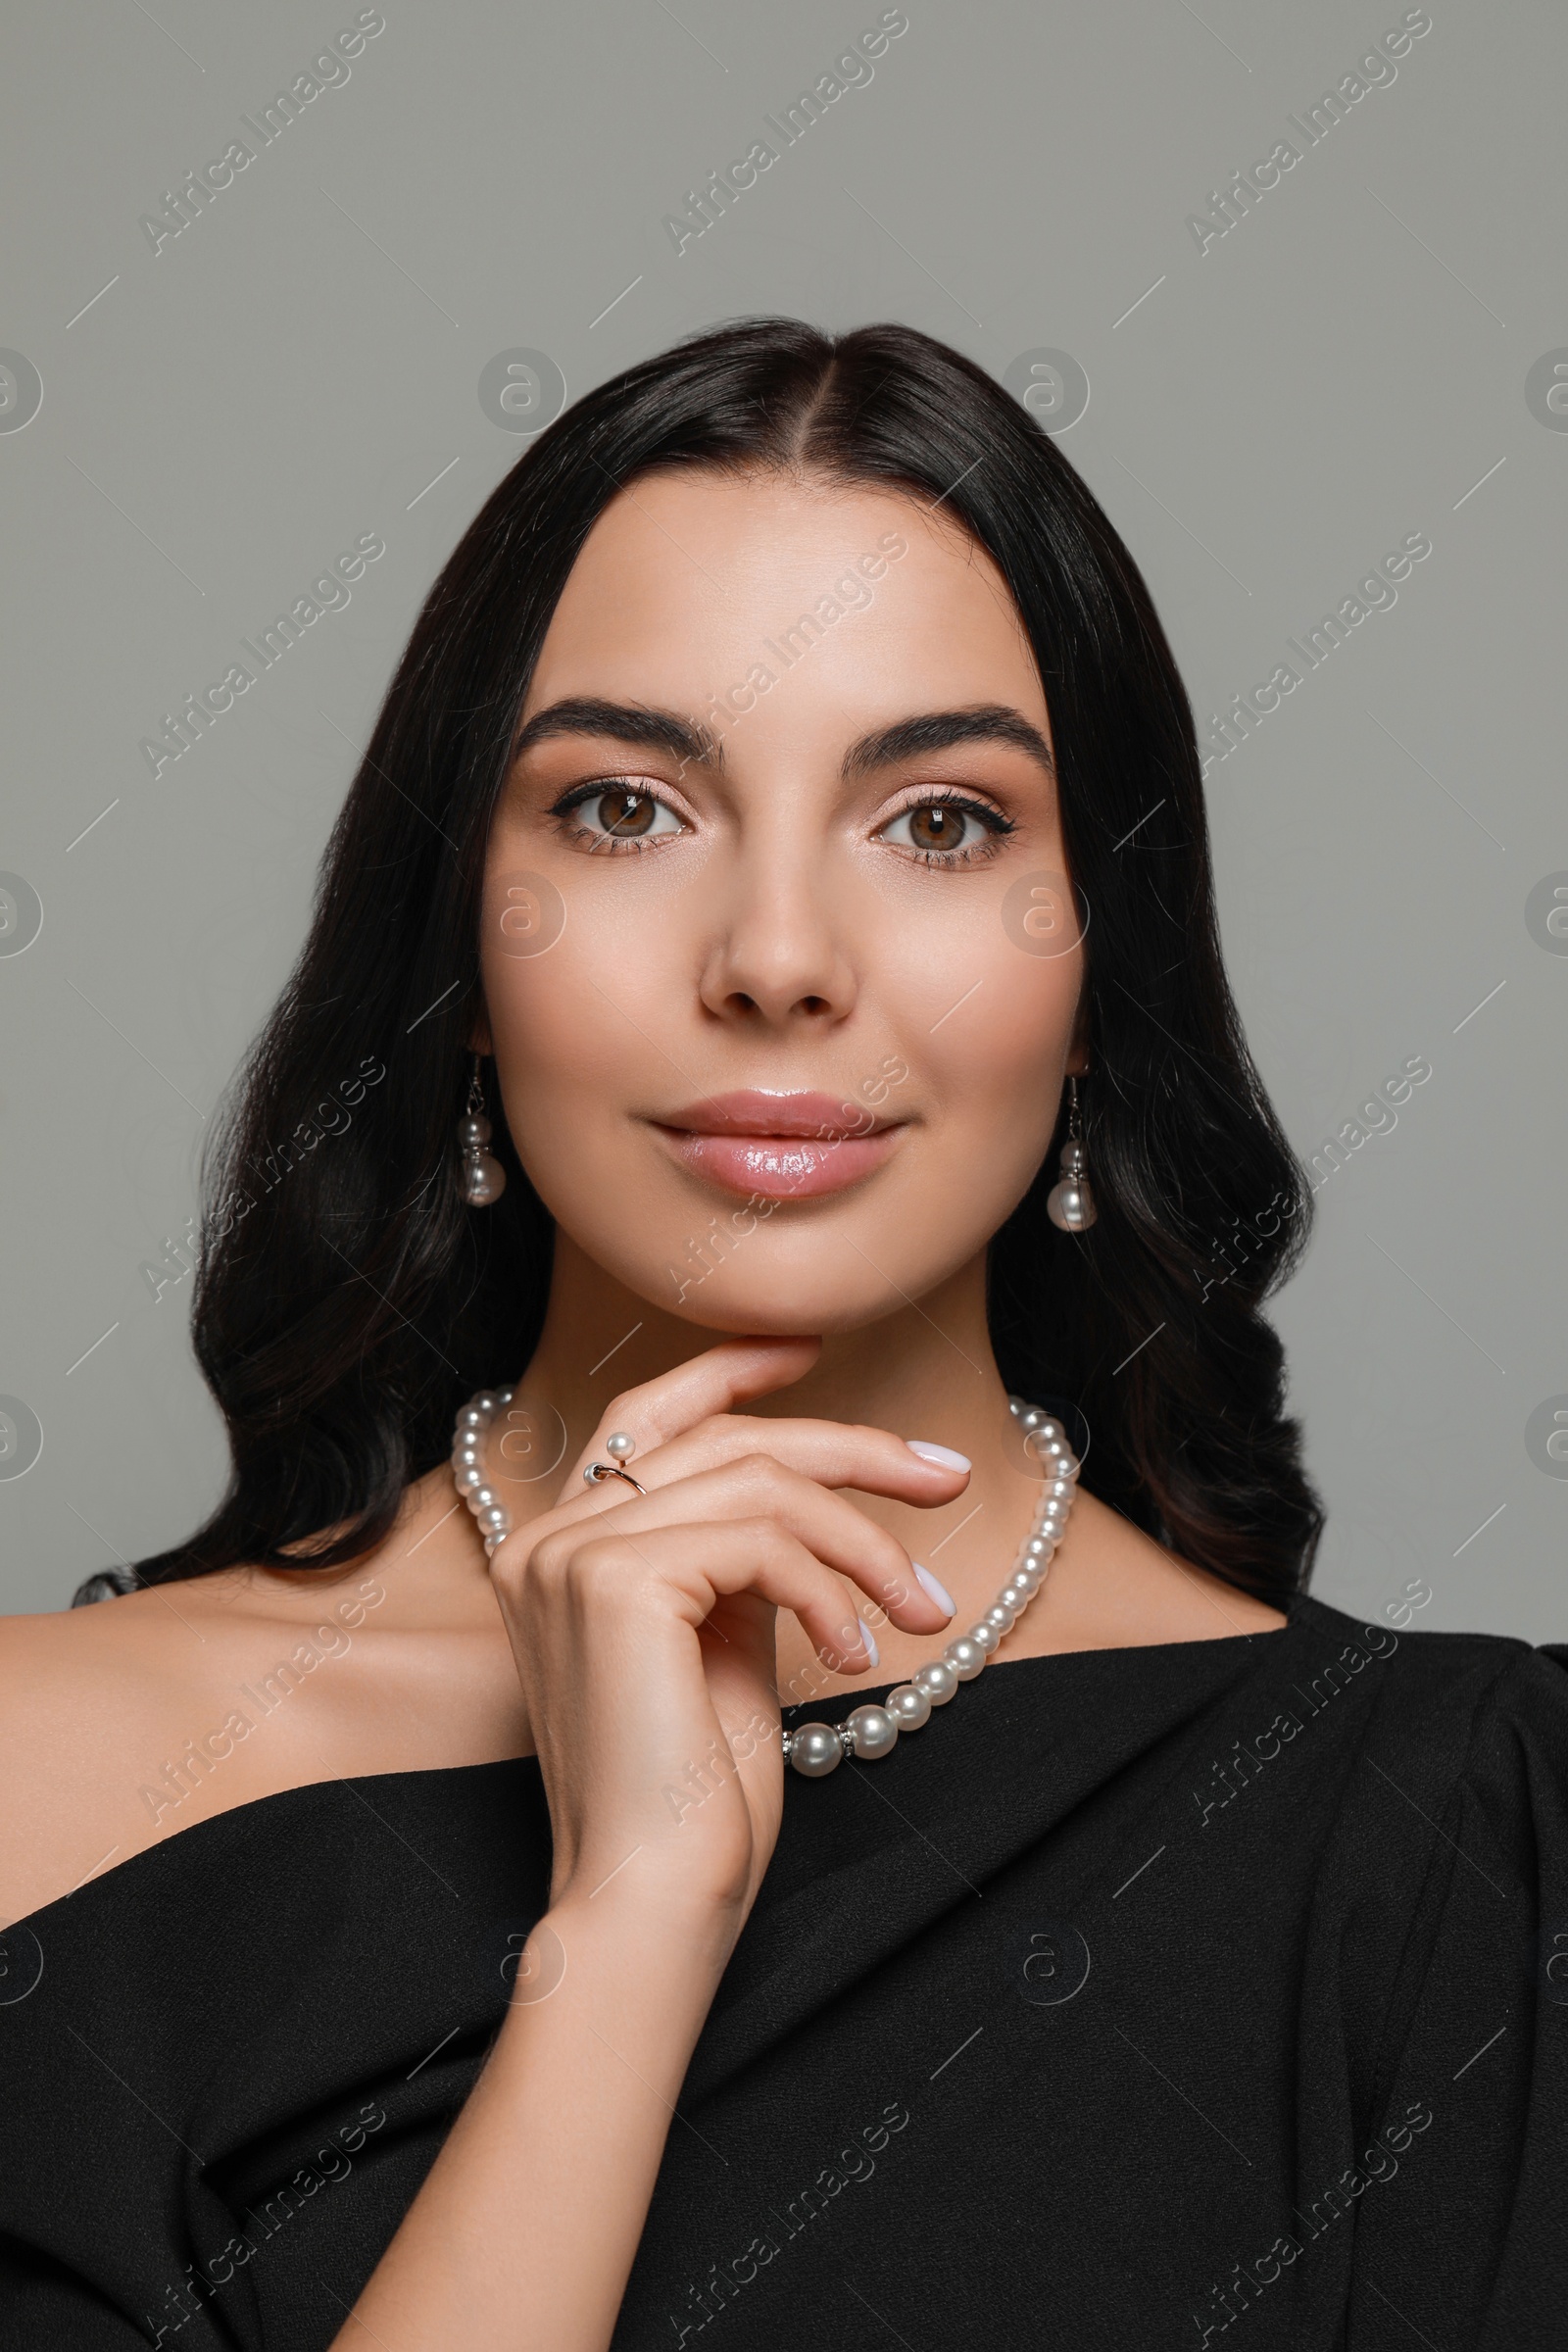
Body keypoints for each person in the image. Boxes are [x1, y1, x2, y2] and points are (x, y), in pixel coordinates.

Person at [0, 319, 1560, 2352]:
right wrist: (627, 1933)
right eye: (628, 807)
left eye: (937, 823)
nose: (775, 963)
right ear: (460, 950)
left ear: (1098, 969)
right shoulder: (51, 1778)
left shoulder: (1460, 1841)